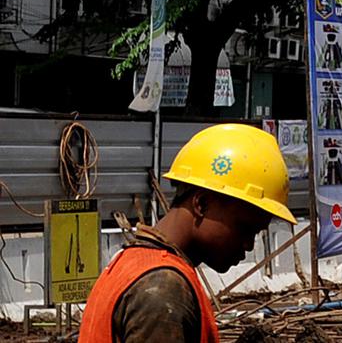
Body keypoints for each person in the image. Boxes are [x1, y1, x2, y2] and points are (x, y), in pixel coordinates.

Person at [80, 124, 294, 343]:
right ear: (201, 204)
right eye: (245, 228)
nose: (249, 245)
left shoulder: (133, 263)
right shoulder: (162, 289)